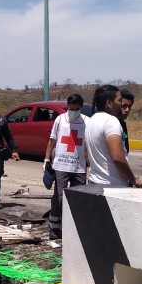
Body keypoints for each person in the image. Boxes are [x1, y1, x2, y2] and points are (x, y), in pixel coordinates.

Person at [44, 94, 89, 239]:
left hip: (79, 167)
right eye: (71, 108)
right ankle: (54, 226)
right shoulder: (60, 119)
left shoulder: (87, 121)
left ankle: (73, 227)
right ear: (67, 107)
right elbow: (52, 140)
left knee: (78, 197)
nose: (74, 111)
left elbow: (89, 144)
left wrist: (90, 163)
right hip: (61, 165)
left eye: (77, 109)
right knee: (59, 196)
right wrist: (46, 159)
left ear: (81, 107)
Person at [84, 85, 142, 187]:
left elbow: (86, 155)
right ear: (109, 103)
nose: (121, 104)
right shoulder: (111, 121)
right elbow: (118, 158)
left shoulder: (91, 120)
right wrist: (133, 180)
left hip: (94, 182)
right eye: (119, 100)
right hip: (112, 186)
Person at [119, 89, 135, 153]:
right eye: (124, 106)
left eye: (129, 106)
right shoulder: (113, 124)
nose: (127, 110)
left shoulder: (122, 123)